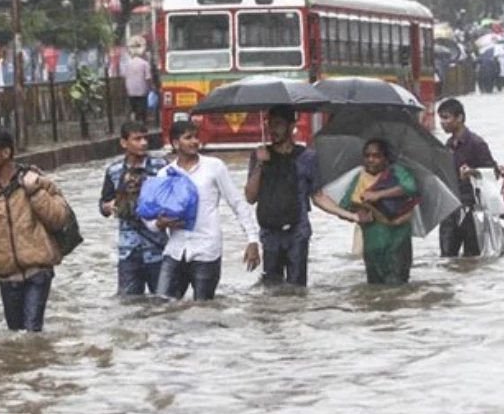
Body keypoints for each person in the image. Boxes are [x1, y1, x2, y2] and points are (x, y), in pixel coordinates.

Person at [244, 105, 362, 286]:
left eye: (278, 124)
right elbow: (250, 197)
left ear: (292, 126)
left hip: (297, 232)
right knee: (271, 288)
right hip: (270, 233)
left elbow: (318, 196)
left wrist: (349, 214)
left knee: (297, 288)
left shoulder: (307, 157)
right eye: (270, 124)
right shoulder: (259, 155)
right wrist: (260, 165)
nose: (273, 130)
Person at [0, 129, 71, 332]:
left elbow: (59, 219)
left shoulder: (35, 180)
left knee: (32, 330)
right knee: (15, 334)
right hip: (7, 276)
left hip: (38, 270)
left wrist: (34, 192)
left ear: (6, 153)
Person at [154, 121, 261, 301]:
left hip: (206, 251)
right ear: (175, 143)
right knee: (163, 305)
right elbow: (152, 215)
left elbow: (237, 204)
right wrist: (159, 224)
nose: (194, 141)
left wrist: (252, 240)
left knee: (204, 308)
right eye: (188, 138)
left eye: (196, 137)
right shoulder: (164, 174)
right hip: (175, 251)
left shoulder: (214, 167)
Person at [339, 139, 419, 285]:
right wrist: (358, 214)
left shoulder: (397, 172)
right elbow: (344, 206)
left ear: (386, 159)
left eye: (376, 156)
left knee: (397, 287)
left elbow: (411, 188)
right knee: (374, 289)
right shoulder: (360, 178)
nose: (371, 160)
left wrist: (379, 195)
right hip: (372, 246)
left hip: (397, 242)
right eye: (367, 156)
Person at [100, 121, 167, 295]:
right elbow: (103, 204)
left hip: (158, 249)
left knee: (164, 302)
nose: (143, 143)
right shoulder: (114, 171)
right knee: (129, 304)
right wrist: (109, 207)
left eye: (145, 138)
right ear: (124, 143)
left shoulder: (161, 167)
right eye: (137, 139)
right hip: (128, 252)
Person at [437, 98, 498, 257]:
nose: (442, 122)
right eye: (441, 118)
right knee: (447, 257)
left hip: (471, 208)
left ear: (460, 118)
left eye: (446, 117)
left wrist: (473, 172)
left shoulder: (476, 144)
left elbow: (493, 173)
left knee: (472, 257)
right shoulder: (448, 145)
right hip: (450, 207)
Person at [122, 52, 153, 123]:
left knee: (133, 105)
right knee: (142, 105)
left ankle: (135, 118)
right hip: (142, 88)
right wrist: (151, 86)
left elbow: (124, 76)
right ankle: (142, 120)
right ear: (142, 56)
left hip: (130, 89)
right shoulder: (145, 63)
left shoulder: (128, 64)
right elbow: (148, 77)